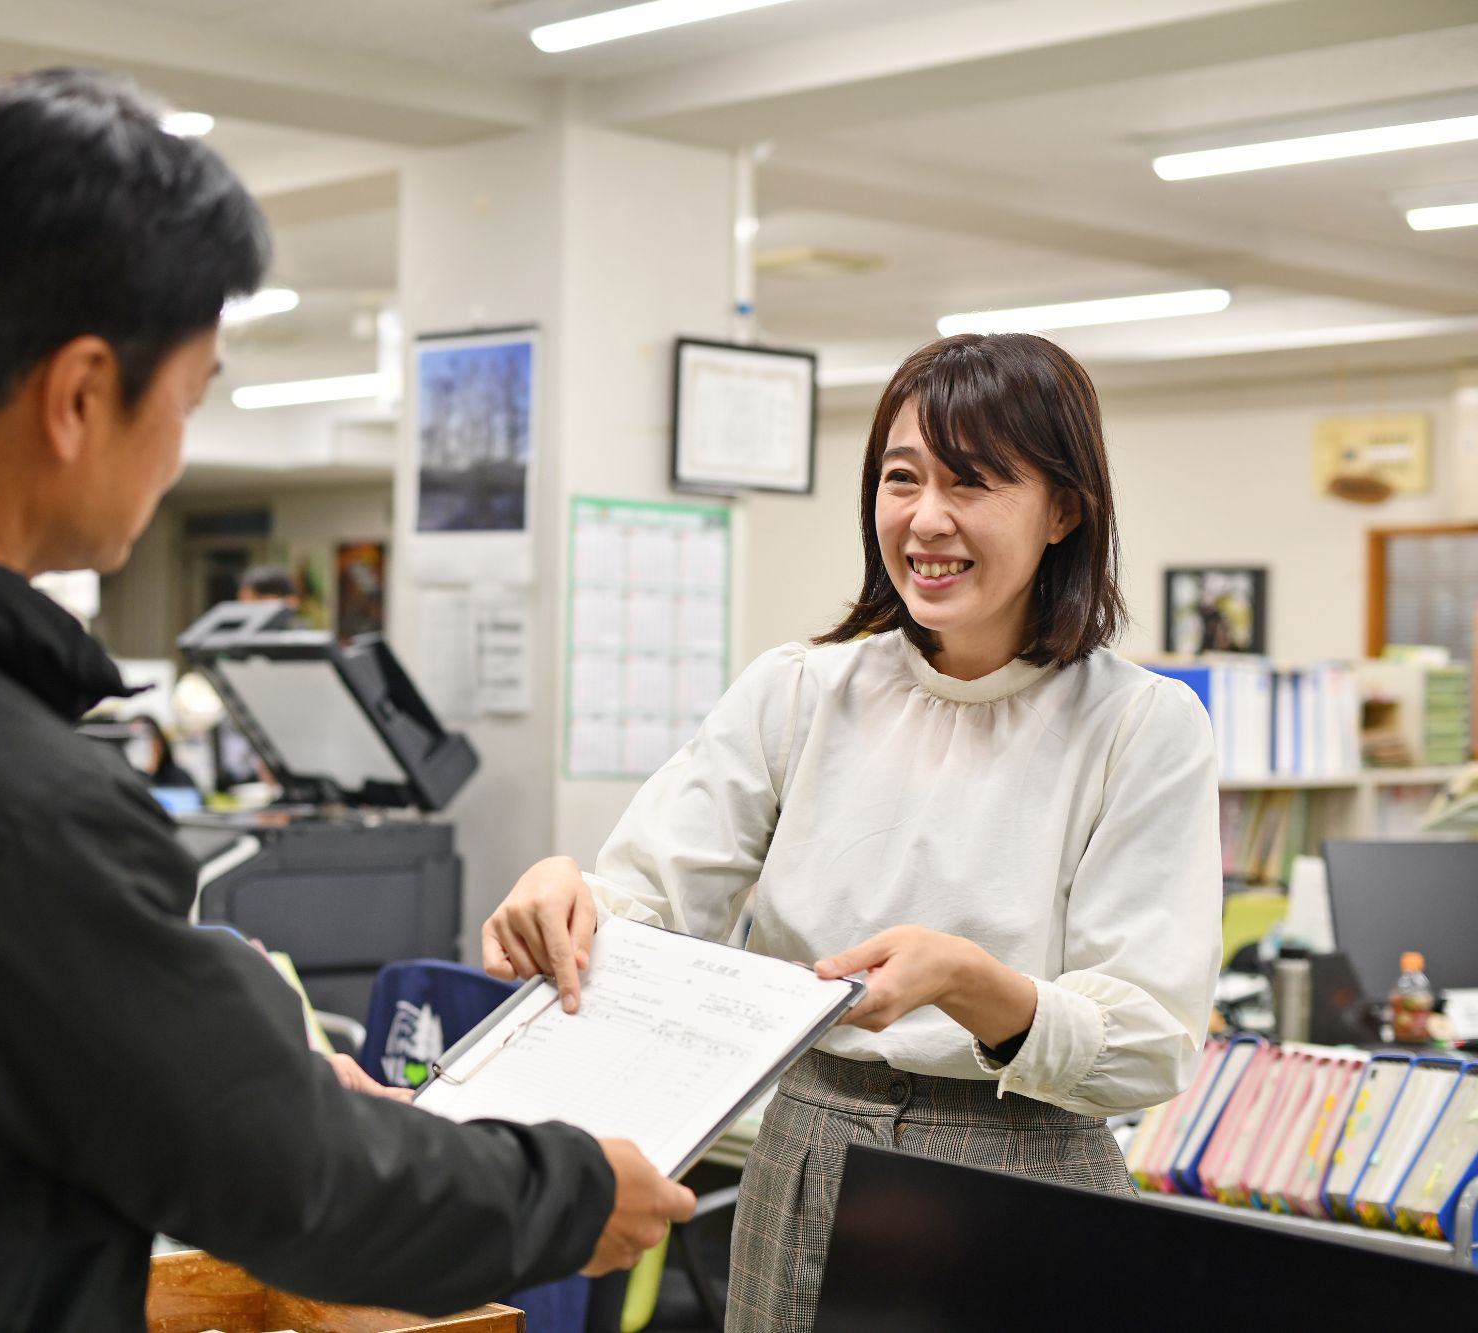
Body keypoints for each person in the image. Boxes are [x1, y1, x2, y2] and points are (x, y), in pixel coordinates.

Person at [0, 68, 691, 1333]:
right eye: (189, 398)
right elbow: (295, 1183)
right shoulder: (14, 802)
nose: (180, 448)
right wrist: (571, 1190)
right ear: (82, 393)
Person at [483, 333, 1222, 1328]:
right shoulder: (799, 691)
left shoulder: (1138, 724)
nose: (925, 518)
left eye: (971, 483)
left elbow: (1147, 1042)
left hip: (1024, 1166)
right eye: (900, 478)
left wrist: (970, 982)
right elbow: (646, 903)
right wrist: (567, 901)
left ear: (1062, 509)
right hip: (808, 1145)